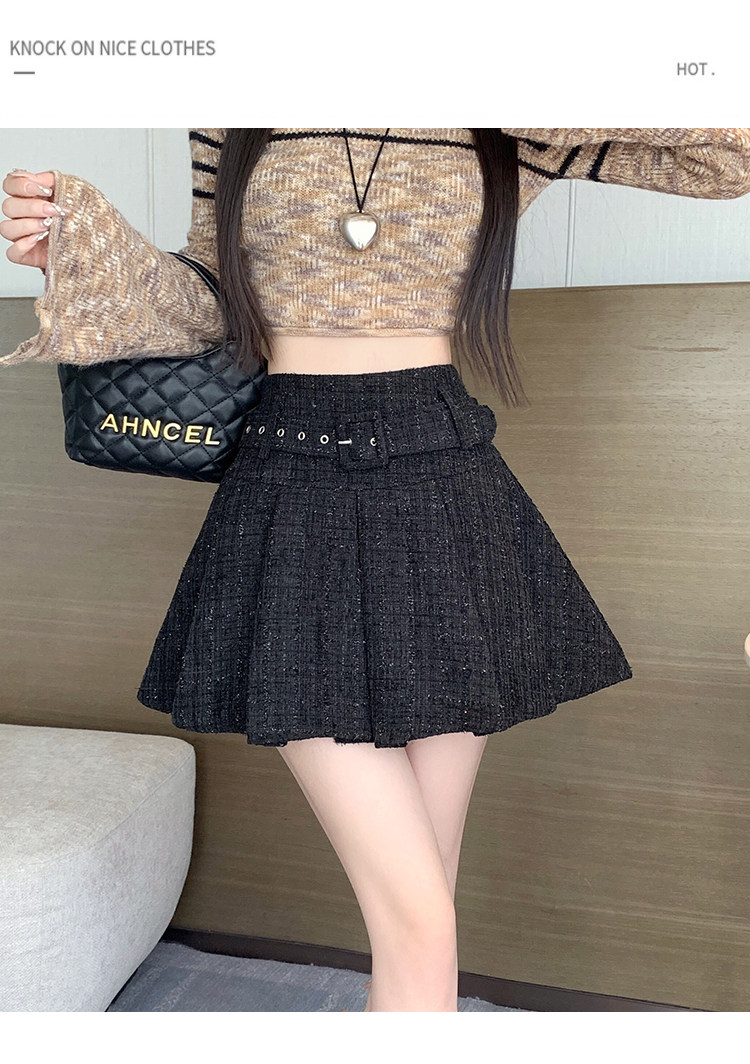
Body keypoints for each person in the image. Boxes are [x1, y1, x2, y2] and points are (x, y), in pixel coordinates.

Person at [2, 128, 750, 1012]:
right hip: (291, 485)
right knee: (420, 917)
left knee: (426, 900)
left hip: (447, 484)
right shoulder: (238, 116)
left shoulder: (510, 121)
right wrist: (83, 250)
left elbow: (727, 157)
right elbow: (207, 302)